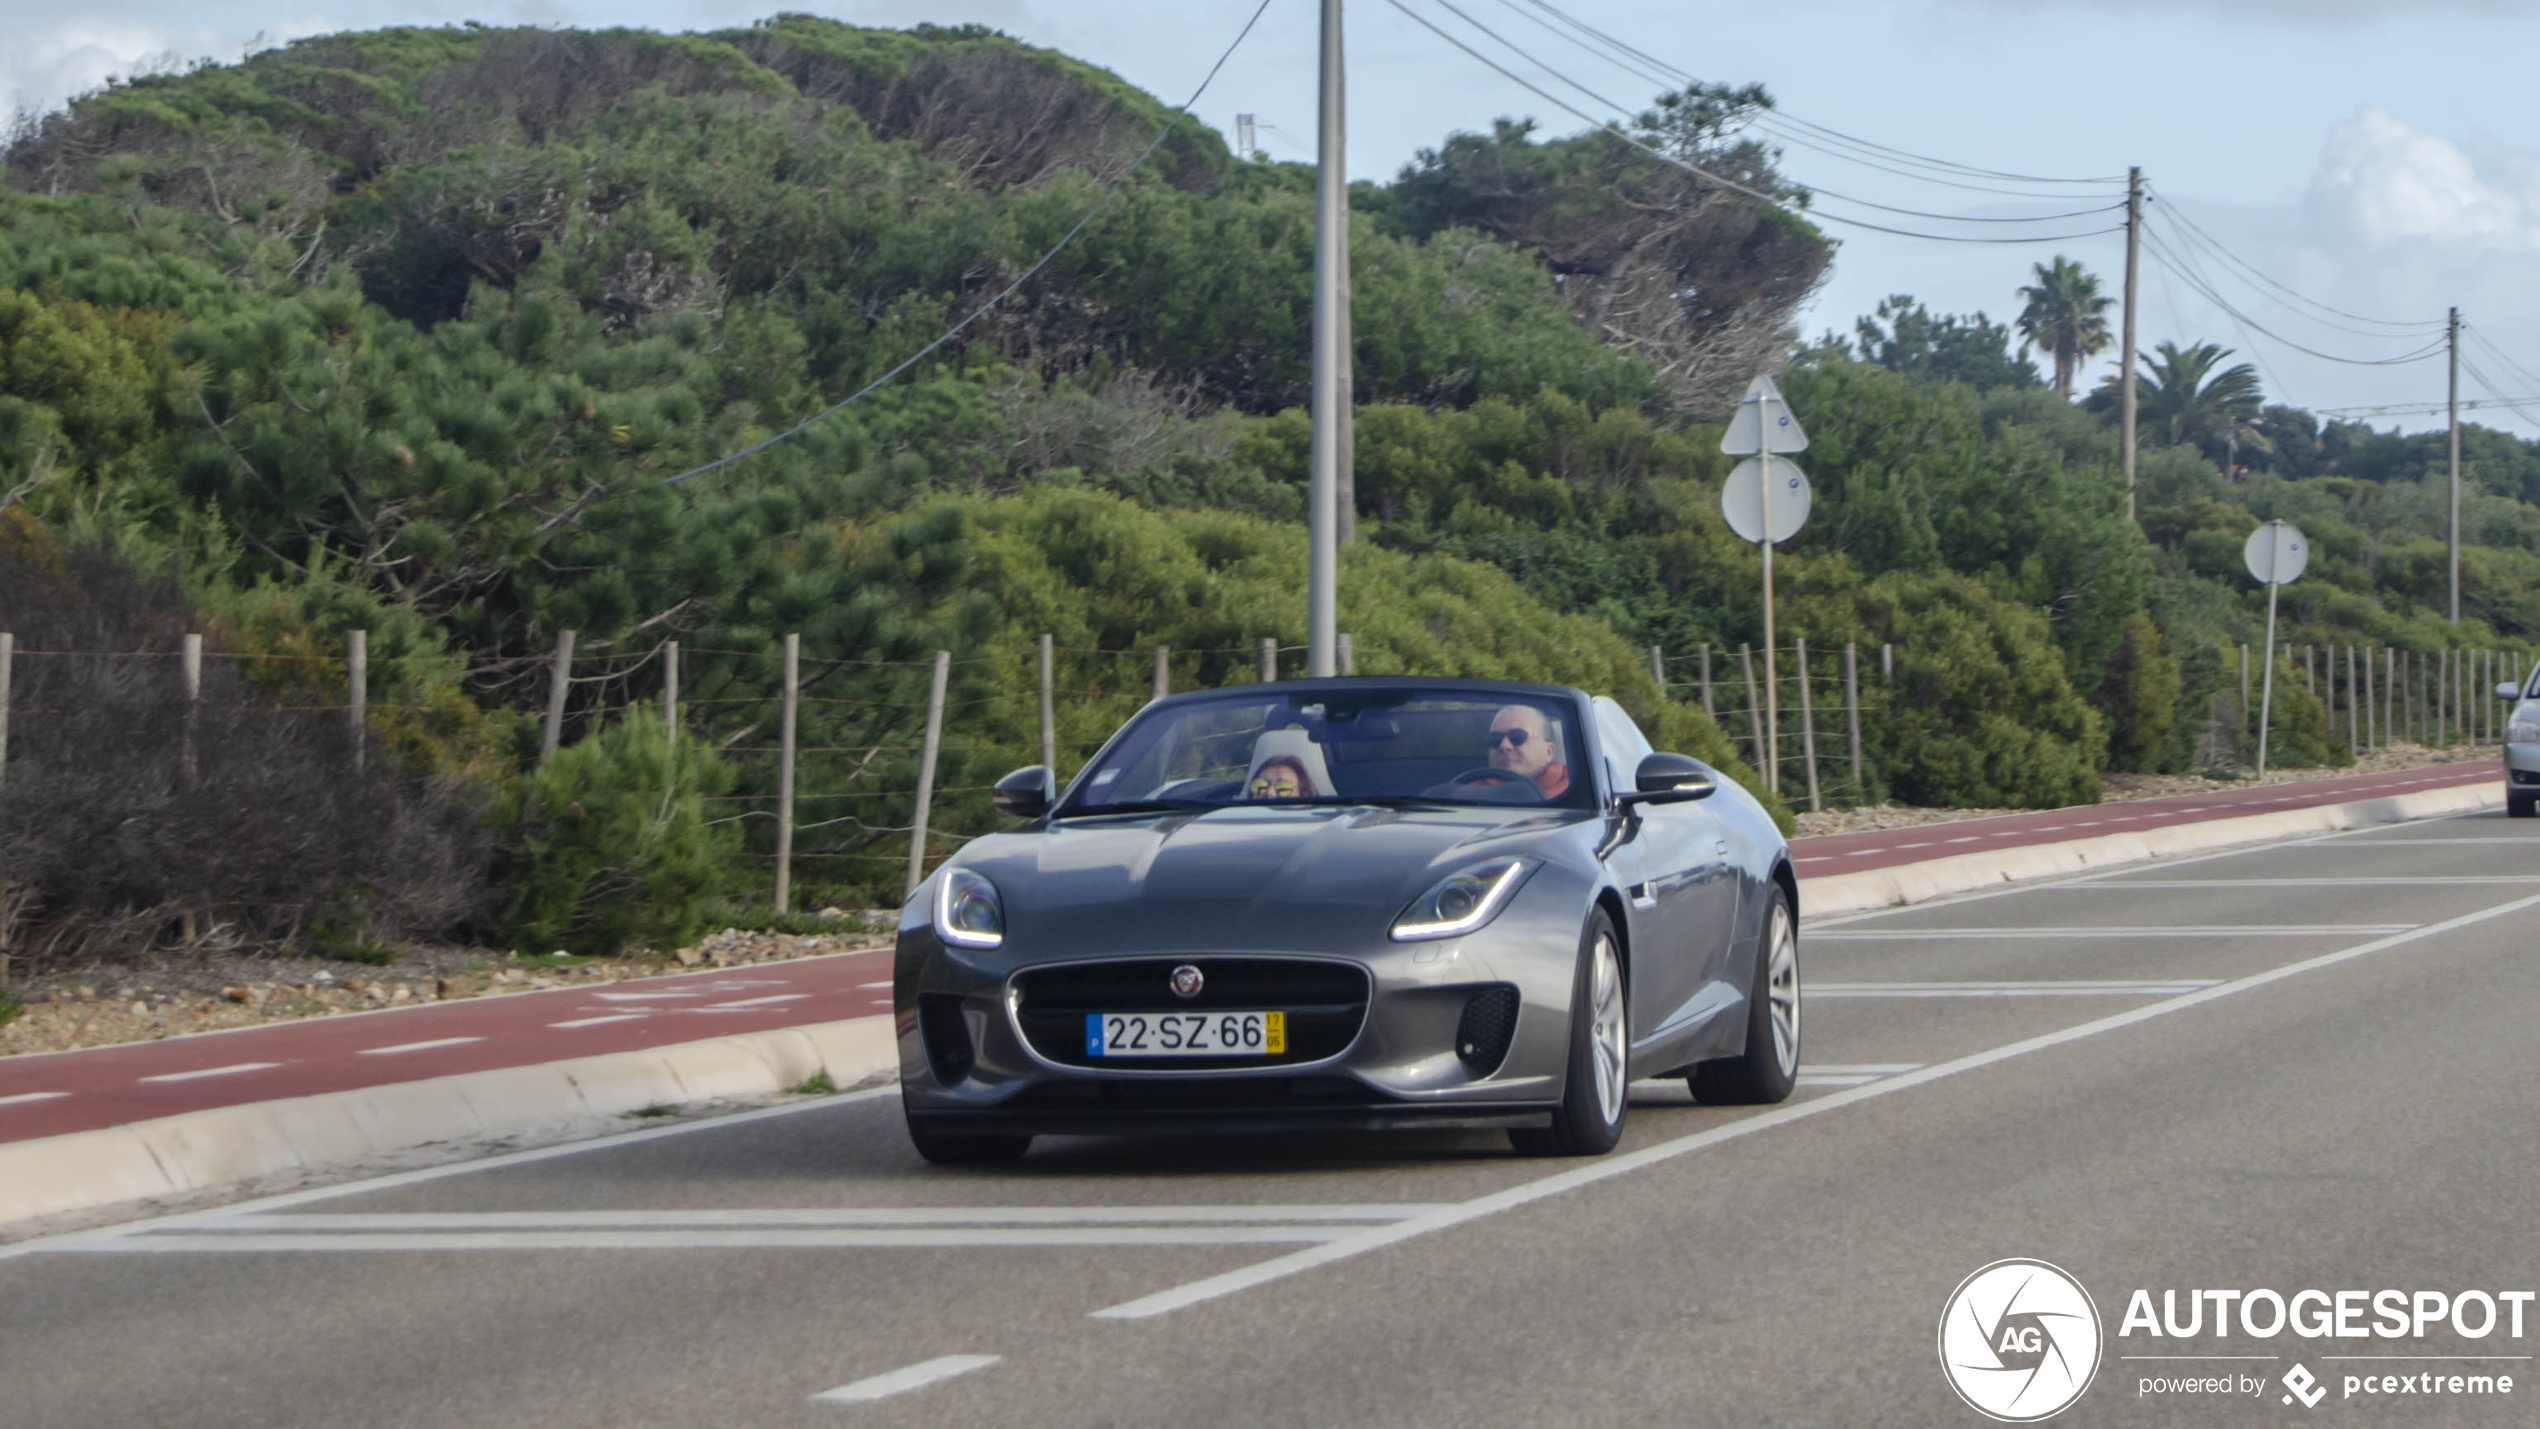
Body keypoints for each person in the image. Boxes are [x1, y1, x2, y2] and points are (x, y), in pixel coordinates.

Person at [1487, 704, 1571, 799]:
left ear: (1549, 752)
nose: (1504, 746)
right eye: (1495, 738)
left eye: (1517, 736)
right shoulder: (1471, 790)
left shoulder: (1578, 791)